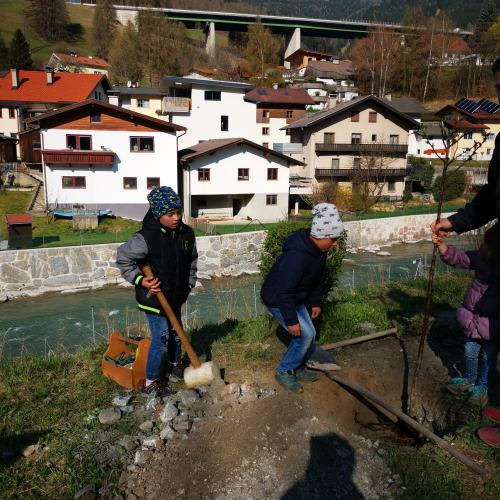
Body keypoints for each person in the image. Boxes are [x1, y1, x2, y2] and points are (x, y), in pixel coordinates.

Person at [431, 58, 500, 446]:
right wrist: (454, 226)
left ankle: (485, 389)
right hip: (474, 319)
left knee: (489, 353)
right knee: (476, 352)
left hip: (488, 322)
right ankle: (483, 390)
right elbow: (492, 197)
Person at [116, 186, 197, 397]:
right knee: (161, 338)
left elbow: (192, 260)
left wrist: (189, 283)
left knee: (177, 335)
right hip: (154, 299)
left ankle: (174, 364)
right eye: (170, 214)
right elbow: (123, 258)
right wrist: (141, 280)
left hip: (176, 296)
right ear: (157, 214)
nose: (176, 217)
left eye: (178, 212)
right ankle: (151, 381)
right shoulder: (145, 238)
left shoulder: (186, 234)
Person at [261, 203, 344, 393]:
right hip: (278, 300)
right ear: (320, 236)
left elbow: (317, 279)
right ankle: (284, 371)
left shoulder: (319, 251)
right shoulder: (297, 256)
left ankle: (297, 367)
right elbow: (284, 290)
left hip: (295, 298)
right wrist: (291, 320)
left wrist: (315, 301)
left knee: (311, 334)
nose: (335, 244)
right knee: (303, 335)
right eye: (333, 239)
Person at [432, 226, 500, 406]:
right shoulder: (482, 258)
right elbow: (461, 258)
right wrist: (442, 247)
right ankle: (469, 381)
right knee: (470, 350)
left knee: (488, 356)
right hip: (473, 318)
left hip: (494, 323)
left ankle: (482, 387)